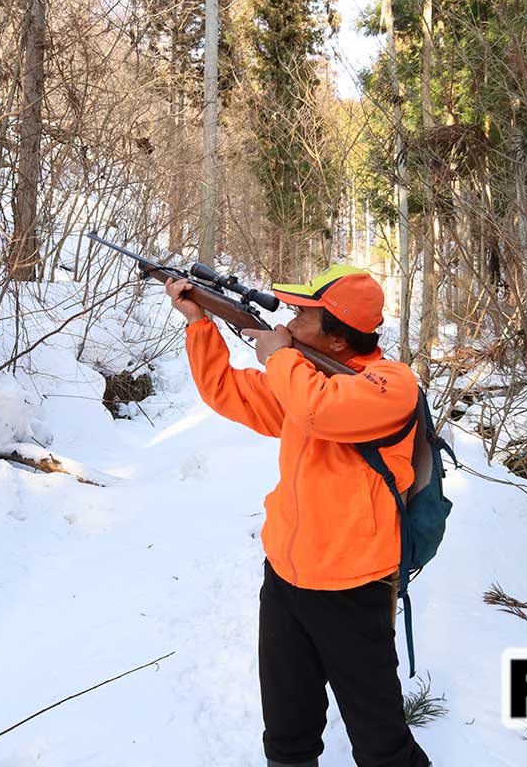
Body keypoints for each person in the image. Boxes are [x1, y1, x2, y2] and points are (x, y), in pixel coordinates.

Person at [165, 265, 433, 767]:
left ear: (336, 332)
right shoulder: (303, 377)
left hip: (354, 589)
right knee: (288, 731)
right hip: (286, 579)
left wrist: (281, 355)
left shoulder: (390, 384)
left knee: (382, 743)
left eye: (301, 314)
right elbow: (227, 392)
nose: (287, 321)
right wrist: (200, 324)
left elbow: (319, 412)